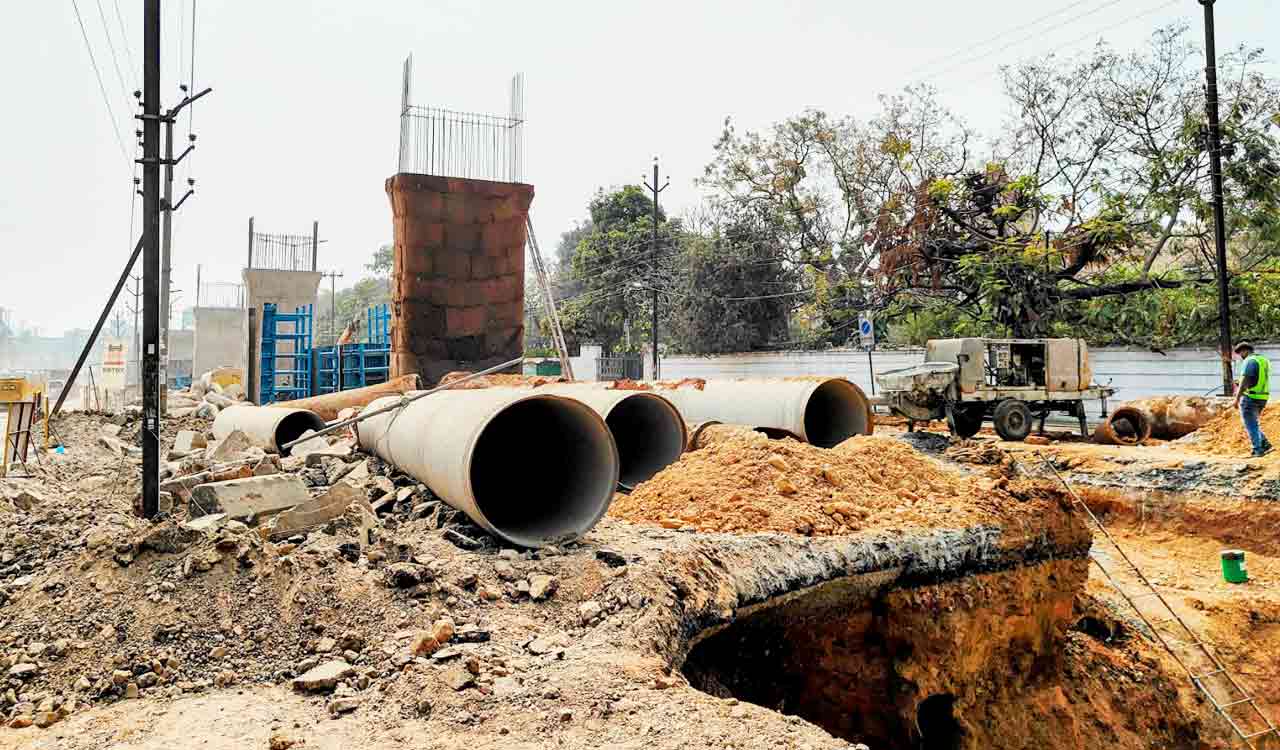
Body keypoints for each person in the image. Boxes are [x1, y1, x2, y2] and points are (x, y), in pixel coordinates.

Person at [1233, 341, 1272, 457]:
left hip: (1251, 397)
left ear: (1245, 350)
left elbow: (1246, 381)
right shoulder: (1264, 360)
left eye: (1241, 354)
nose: (1241, 357)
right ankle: (1265, 443)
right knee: (1252, 423)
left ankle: (1258, 450)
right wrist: (1240, 382)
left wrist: (1236, 398)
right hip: (1263, 397)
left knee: (1250, 424)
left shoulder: (1249, 361)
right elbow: (1257, 378)